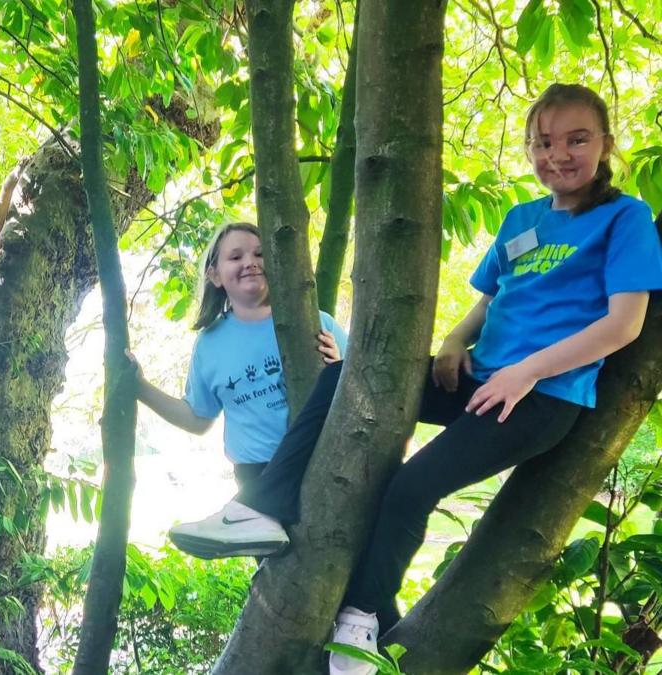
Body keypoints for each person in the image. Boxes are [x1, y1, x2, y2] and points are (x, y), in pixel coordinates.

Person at [165, 84, 662, 674]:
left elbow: (624, 324)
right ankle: (261, 509)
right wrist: (453, 342)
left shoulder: (624, 218)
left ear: (605, 142)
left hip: (540, 397)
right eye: (542, 142)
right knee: (348, 378)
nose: (558, 155)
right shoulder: (522, 219)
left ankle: (360, 623)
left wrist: (525, 373)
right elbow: (490, 300)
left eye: (577, 140)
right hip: (480, 377)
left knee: (409, 487)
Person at [130, 221, 347, 558]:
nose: (250, 262)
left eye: (260, 254)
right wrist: (140, 388)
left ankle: (247, 513)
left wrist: (340, 365)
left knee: (336, 559)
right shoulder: (210, 344)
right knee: (278, 575)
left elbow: (361, 389)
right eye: (236, 257)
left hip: (321, 461)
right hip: (256, 473)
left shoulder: (317, 322)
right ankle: (252, 519)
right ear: (215, 275)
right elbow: (197, 418)